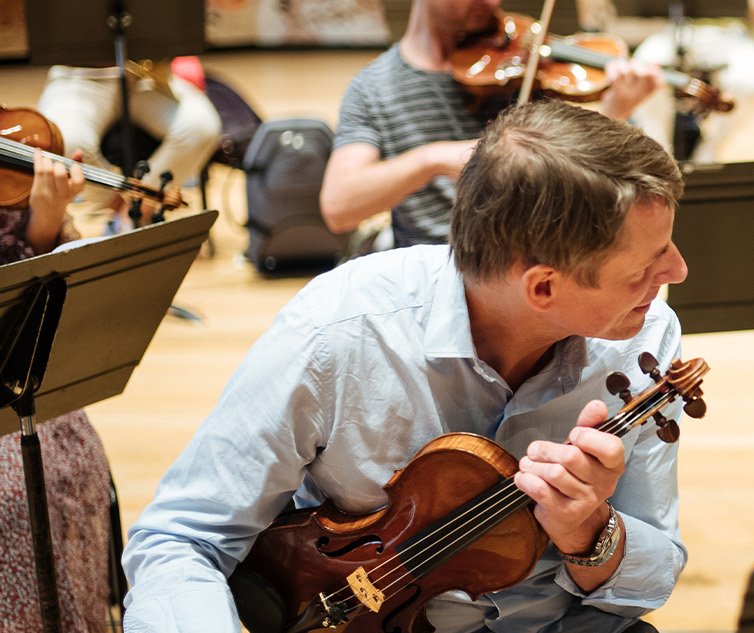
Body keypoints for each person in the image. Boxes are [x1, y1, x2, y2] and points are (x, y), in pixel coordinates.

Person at [121, 101, 691, 632]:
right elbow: (182, 538)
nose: (678, 271)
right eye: (645, 264)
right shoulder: (336, 331)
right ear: (543, 286)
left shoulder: (644, 336)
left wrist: (590, 533)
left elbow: (650, 579)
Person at [319, 0, 666, 248]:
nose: (492, 3)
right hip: (434, 275)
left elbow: (590, 180)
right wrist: (433, 160)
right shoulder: (374, 89)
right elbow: (339, 206)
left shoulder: (526, 68)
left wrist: (614, 110)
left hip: (534, 263)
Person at [0, 151, 114, 631]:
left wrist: (45, 224)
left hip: (15, 378)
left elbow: (46, 306)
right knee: (14, 500)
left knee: (73, 464)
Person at [35, 58, 221, 229]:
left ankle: (133, 215)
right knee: (65, 141)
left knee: (201, 126)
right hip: (78, 77)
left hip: (143, 75)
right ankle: (124, 213)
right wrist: (118, 200)